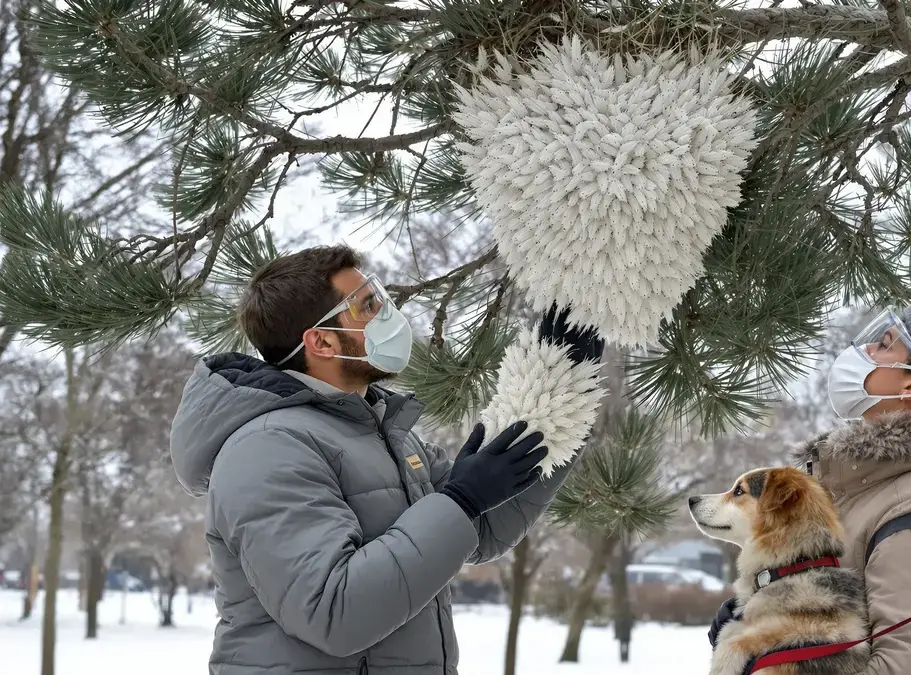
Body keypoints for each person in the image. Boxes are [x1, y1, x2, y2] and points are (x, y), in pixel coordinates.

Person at [169, 245, 603, 675]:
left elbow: (481, 527)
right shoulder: (266, 448)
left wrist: (561, 387)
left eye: (379, 297)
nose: (388, 313)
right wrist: (461, 500)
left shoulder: (386, 434)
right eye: (367, 306)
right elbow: (332, 612)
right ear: (320, 340)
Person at [708, 305, 911, 675]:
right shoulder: (877, 484)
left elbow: (907, 666)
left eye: (885, 345)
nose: (865, 351)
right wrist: (765, 626)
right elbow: (839, 627)